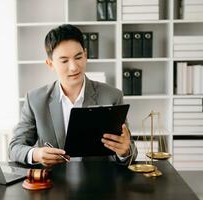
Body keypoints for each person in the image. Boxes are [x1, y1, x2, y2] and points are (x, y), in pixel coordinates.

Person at [9, 24, 137, 166]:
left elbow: (130, 149)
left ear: (86, 55)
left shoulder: (112, 96)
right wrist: (36, 154)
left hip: (99, 182)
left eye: (78, 57)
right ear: (50, 64)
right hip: (54, 183)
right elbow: (14, 147)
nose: (74, 67)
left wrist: (124, 151)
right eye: (64, 61)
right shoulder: (35, 100)